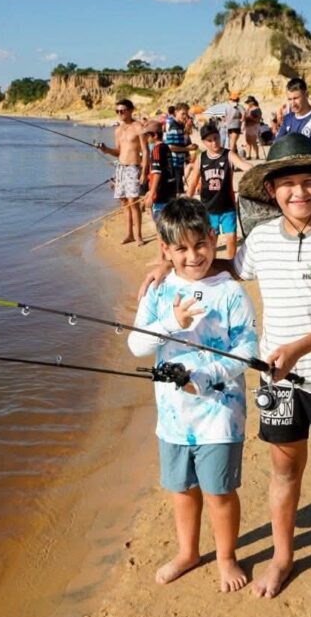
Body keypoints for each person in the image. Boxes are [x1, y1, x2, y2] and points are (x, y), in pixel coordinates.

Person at [139, 134, 311, 605]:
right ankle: (282, 557)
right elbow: (224, 267)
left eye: (309, 182)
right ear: (271, 191)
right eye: (287, 185)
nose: (298, 192)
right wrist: (169, 267)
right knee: (284, 470)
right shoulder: (262, 239)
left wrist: (299, 349)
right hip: (276, 380)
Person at [128, 198, 259, 592]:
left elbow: (247, 349)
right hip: (173, 416)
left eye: (200, 244)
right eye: (181, 248)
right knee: (182, 489)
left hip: (221, 413)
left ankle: (226, 556)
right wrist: (172, 321)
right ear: (165, 250)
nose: (193, 256)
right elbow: (137, 346)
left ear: (214, 238)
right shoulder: (158, 290)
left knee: (219, 491)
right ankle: (188, 552)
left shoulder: (230, 292)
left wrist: (206, 377)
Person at [185, 123, 251, 259]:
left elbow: (243, 165)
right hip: (208, 208)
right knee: (211, 240)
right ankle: (213, 264)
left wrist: (257, 169)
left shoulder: (228, 154)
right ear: (204, 142)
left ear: (220, 136)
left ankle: (231, 264)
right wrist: (186, 201)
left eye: (216, 138)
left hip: (227, 206)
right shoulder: (201, 158)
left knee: (231, 238)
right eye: (209, 140)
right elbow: (193, 181)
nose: (214, 142)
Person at [97, 98, 148, 245]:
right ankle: (129, 234)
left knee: (133, 201)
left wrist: (144, 172)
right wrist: (106, 150)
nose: (119, 113)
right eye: (117, 111)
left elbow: (145, 151)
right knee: (124, 201)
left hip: (133, 167)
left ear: (131, 110)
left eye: (122, 111)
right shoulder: (118, 130)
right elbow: (118, 152)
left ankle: (138, 236)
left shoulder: (138, 127)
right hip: (120, 168)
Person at [276, 77, 311, 150]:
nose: (293, 103)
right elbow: (276, 145)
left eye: (296, 98)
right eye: (290, 99)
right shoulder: (288, 118)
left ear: (306, 94)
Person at [142, 120, 178, 221]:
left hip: (161, 194)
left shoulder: (156, 149)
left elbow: (157, 173)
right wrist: (150, 191)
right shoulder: (166, 147)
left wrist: (151, 194)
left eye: (147, 135)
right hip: (171, 192)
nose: (146, 138)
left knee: (161, 224)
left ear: (155, 135)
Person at [164, 102, 194, 192]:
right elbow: (170, 147)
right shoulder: (173, 126)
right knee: (176, 191)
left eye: (186, 114)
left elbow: (181, 141)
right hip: (173, 163)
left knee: (179, 189)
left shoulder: (180, 125)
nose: (185, 116)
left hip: (179, 162)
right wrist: (188, 149)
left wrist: (188, 128)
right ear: (176, 112)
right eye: (183, 113)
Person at [242, 96, 264, 160]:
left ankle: (257, 155)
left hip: (254, 126)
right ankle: (248, 155)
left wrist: (250, 118)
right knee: (248, 141)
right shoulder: (248, 109)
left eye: (249, 102)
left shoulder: (257, 109)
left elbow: (258, 119)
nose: (248, 104)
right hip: (248, 126)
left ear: (252, 102)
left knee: (253, 141)